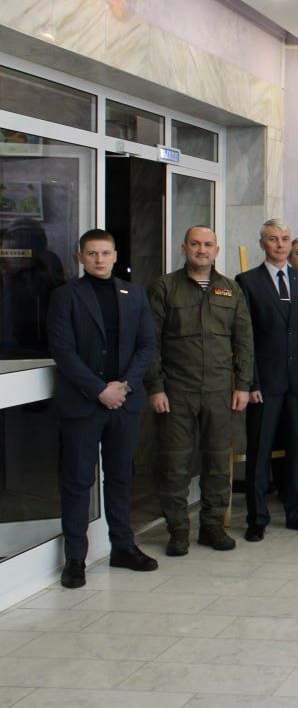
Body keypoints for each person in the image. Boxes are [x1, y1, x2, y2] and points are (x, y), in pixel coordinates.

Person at [48, 229, 158, 588]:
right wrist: (99, 390)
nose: (99, 259)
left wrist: (124, 386)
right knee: (78, 481)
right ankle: (75, 559)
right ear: (80, 257)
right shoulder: (65, 296)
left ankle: (123, 547)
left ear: (115, 256)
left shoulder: (133, 293)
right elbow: (63, 351)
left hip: (124, 402)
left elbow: (146, 345)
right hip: (83, 404)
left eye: (105, 253)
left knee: (122, 477)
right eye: (92, 253)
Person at [146, 225, 253, 554]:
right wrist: (155, 387)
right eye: (195, 244)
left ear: (216, 251)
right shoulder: (165, 287)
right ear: (184, 248)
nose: (202, 250)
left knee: (218, 463)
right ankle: (178, 531)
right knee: (174, 465)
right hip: (176, 392)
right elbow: (150, 342)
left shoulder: (230, 289)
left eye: (208, 244)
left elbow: (244, 341)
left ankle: (212, 527)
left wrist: (243, 384)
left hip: (220, 392)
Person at [236, 219, 298, 542]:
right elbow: (245, 337)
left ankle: (297, 513)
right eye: (273, 239)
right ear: (263, 243)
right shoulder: (247, 281)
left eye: (285, 239)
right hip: (265, 383)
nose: (280, 245)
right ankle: (257, 518)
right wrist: (251, 382)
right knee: (260, 451)